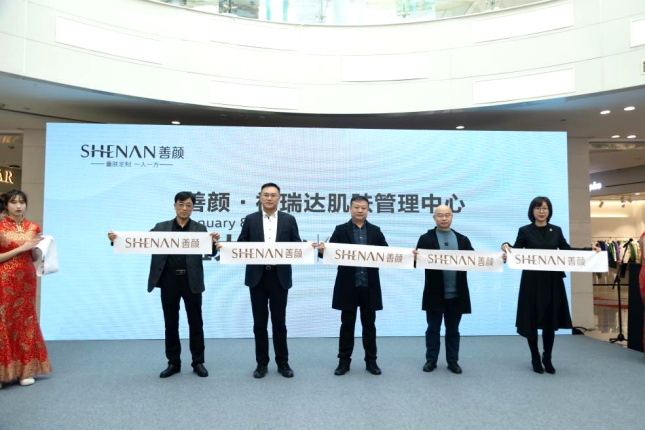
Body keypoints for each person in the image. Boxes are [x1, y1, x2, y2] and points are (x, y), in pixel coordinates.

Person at [108, 191, 219, 378]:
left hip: (191, 280)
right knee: (171, 323)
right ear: (175, 206)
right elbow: (141, 242)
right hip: (169, 280)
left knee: (196, 323)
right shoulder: (161, 227)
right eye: (181, 205)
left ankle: (198, 362)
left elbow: (211, 252)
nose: (184, 208)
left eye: (188, 205)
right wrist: (117, 240)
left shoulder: (199, 229)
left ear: (193, 208)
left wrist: (214, 244)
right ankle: (173, 363)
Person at [502, 196, 598, 374]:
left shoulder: (556, 230)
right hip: (531, 282)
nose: (541, 211)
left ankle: (547, 357)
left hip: (552, 281)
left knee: (549, 320)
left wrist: (588, 251)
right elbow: (515, 250)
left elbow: (567, 250)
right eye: (538, 208)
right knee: (531, 319)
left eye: (545, 208)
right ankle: (535, 357)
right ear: (532, 211)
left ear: (549, 211)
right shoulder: (524, 230)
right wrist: (505, 246)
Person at [232, 183, 302, 379]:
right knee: (259, 324)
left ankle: (283, 363)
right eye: (266, 195)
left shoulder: (289, 220)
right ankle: (261, 364)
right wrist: (226, 248)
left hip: (280, 277)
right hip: (257, 277)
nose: (269, 198)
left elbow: (296, 245)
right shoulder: (250, 219)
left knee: (279, 323)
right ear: (260, 197)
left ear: (279, 198)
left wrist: (307, 247)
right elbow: (241, 244)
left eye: (273, 195)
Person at [318, 195, 388, 376]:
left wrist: (407, 256)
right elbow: (329, 253)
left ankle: (371, 362)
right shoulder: (340, 230)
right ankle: (343, 362)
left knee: (369, 326)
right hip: (348, 286)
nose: (360, 210)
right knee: (347, 325)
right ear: (350, 209)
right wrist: (322, 250)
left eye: (363, 207)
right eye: (356, 207)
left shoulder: (375, 231)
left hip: (369, 286)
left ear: (368, 210)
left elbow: (387, 253)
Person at [413, 204, 473, 375]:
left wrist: (498, 259)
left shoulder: (462, 239)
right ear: (434, 218)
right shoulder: (426, 239)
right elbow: (416, 263)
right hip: (434, 294)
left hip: (456, 295)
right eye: (440, 215)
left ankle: (453, 362)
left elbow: (476, 260)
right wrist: (414, 258)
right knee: (433, 329)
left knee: (453, 330)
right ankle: (431, 360)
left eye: (447, 215)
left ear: (452, 217)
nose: (444, 218)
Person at [0, 190, 52, 388]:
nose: (18, 206)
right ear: (6, 205)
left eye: (22, 202)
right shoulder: (0, 227)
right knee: (3, 321)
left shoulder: (33, 227)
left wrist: (39, 248)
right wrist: (21, 248)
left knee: (25, 321)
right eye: (14, 202)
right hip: (4, 279)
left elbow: (34, 257)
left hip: (27, 280)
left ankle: (24, 371)